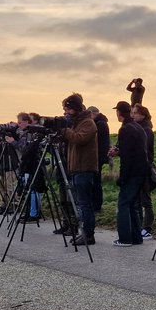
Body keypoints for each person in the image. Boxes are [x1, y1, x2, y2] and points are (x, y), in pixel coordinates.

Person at [60, 93, 99, 245]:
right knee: (79, 203)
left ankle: (88, 234)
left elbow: (79, 139)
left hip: (84, 169)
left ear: (74, 108)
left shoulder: (88, 123)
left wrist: (64, 130)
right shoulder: (77, 123)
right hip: (76, 168)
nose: (65, 113)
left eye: (67, 109)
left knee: (84, 204)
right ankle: (84, 233)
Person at [110, 101, 148, 246]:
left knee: (123, 204)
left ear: (119, 113)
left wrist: (122, 178)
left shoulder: (125, 129)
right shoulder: (138, 127)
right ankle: (136, 238)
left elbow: (127, 157)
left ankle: (125, 238)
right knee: (132, 205)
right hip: (141, 171)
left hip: (132, 172)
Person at [132, 103, 156, 239]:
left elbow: (145, 151)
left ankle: (147, 228)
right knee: (138, 200)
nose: (133, 115)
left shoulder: (146, 130)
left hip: (144, 168)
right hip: (139, 168)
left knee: (145, 200)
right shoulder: (140, 128)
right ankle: (140, 226)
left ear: (143, 114)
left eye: (136, 113)